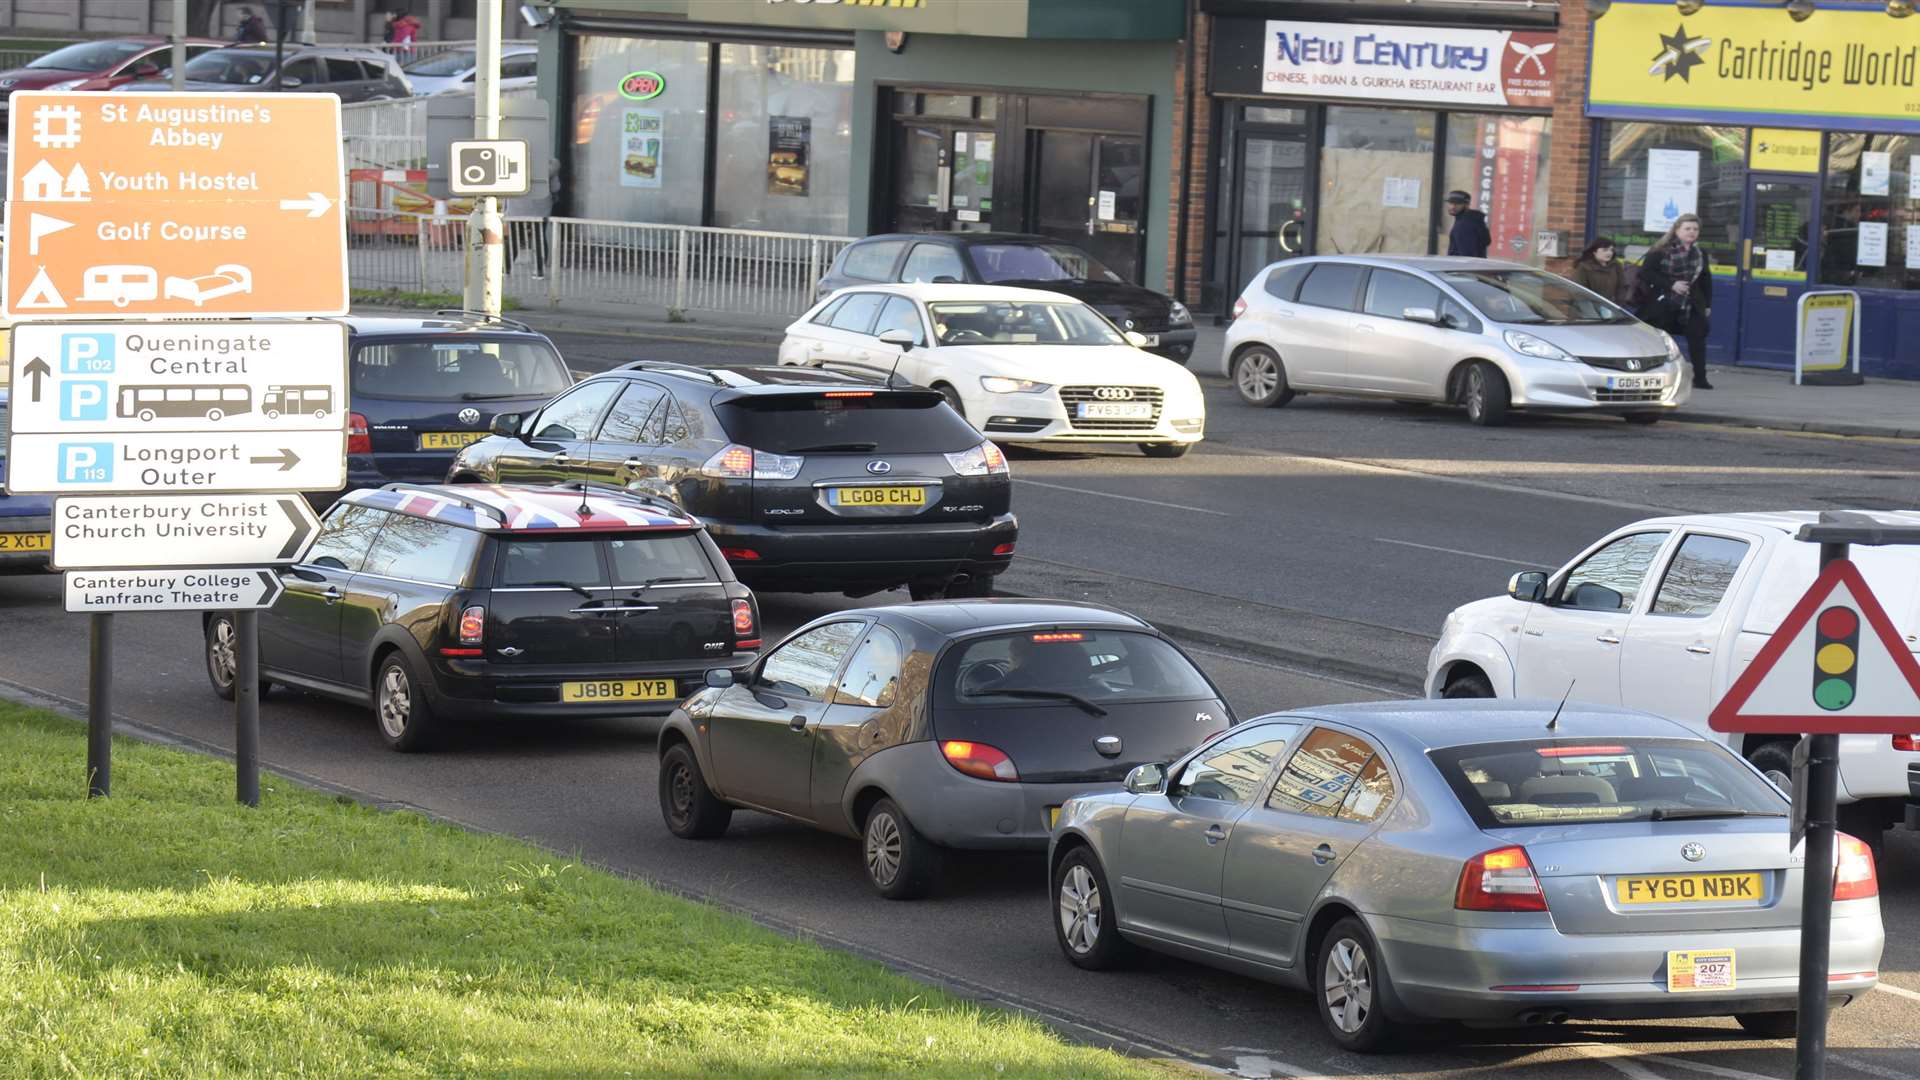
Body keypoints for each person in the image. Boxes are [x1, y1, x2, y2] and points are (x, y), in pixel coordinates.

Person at [1636, 213, 1714, 389]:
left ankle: (1700, 378)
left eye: (1695, 229)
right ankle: (1653, 375)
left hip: (1692, 303)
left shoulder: (1700, 253)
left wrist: (1707, 304)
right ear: (1677, 230)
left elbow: (1706, 279)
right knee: (1658, 340)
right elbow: (1646, 272)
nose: (1692, 232)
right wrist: (1671, 284)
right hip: (1664, 302)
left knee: (1698, 338)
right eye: (1687, 228)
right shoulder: (1660, 250)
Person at [1570, 239, 1626, 303]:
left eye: (1611, 250)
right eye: (1605, 250)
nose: (1609, 253)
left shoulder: (1616, 266)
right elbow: (1579, 291)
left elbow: (1621, 287)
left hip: (1611, 307)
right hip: (1589, 308)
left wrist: (1618, 304)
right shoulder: (1584, 267)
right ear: (1594, 252)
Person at [1445, 190, 1491, 259]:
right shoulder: (1474, 219)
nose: (1452, 207)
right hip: (1475, 266)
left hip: (1463, 267)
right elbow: (1487, 241)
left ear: (1467, 205)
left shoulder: (1465, 224)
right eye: (1450, 203)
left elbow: (1468, 257)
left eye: (1458, 204)